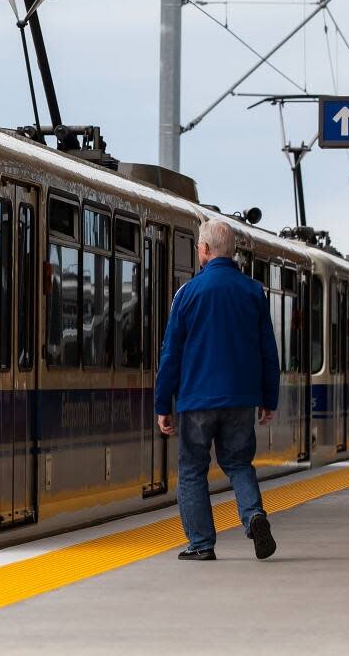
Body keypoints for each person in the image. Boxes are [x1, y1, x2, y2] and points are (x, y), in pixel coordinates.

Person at [155, 219, 280, 562]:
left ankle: (201, 543)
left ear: (206, 250)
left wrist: (162, 402)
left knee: (193, 468)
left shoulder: (188, 293)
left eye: (198, 247)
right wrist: (269, 399)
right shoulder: (253, 292)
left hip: (196, 398)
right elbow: (268, 351)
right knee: (239, 463)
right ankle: (253, 515)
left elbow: (171, 353)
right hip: (241, 399)